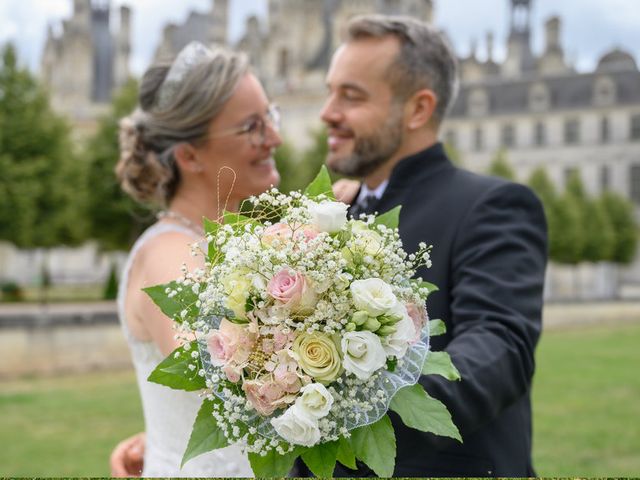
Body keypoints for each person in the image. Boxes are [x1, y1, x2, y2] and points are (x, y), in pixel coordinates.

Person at [308, 14, 547, 477]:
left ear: (418, 110)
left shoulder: (492, 206)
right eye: (330, 91)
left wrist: (350, 407)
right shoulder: (328, 216)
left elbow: (499, 347)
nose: (327, 112)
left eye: (351, 96)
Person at [113, 42, 281, 477]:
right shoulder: (169, 255)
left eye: (271, 117)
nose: (274, 138)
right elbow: (230, 378)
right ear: (189, 155)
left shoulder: (235, 245)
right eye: (252, 127)